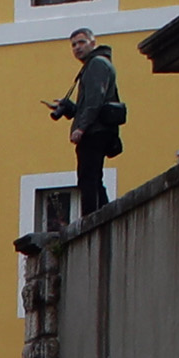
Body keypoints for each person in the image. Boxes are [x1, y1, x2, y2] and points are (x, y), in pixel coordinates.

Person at [47, 27, 125, 221]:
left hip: (95, 131)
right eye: (74, 45)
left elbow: (95, 101)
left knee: (88, 177)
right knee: (93, 177)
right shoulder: (95, 64)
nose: (77, 48)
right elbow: (90, 104)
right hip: (97, 129)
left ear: (93, 43)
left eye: (81, 42)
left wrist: (81, 128)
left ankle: (91, 219)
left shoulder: (96, 64)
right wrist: (69, 108)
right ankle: (103, 215)